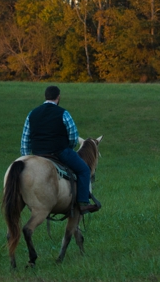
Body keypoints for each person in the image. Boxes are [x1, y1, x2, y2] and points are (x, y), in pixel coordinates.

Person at [20, 85, 100, 214]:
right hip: (59, 152)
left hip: (38, 154)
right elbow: (74, 136)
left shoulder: (32, 114)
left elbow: (25, 140)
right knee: (84, 170)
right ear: (58, 97)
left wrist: (26, 158)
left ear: (45, 96)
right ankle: (83, 203)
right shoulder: (63, 113)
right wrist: (69, 147)